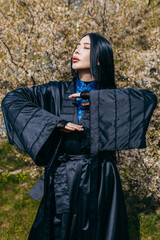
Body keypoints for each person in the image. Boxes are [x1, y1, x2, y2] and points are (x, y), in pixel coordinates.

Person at [1, 33, 157, 240]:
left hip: (100, 178)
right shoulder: (55, 91)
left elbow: (148, 98)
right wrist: (55, 124)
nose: (76, 50)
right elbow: (13, 100)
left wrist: (98, 100)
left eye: (85, 47)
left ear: (100, 58)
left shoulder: (111, 95)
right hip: (62, 177)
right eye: (77, 45)